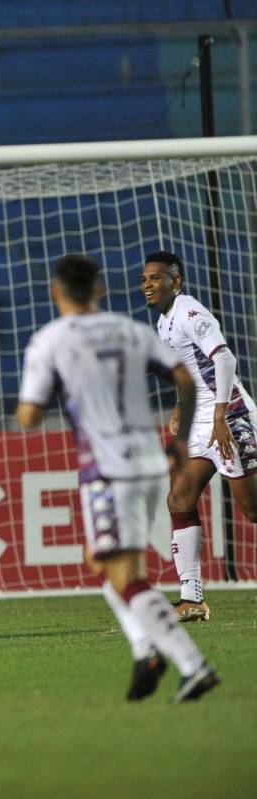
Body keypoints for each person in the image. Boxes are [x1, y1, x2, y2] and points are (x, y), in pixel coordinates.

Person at [17, 254, 218, 702]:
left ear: (56, 292)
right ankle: (146, 648)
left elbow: (29, 415)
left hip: (108, 470)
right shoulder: (133, 330)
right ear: (100, 290)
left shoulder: (50, 340)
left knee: (126, 576)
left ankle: (190, 664)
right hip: (149, 461)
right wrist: (180, 441)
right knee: (101, 560)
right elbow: (185, 378)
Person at [141, 251, 257, 622]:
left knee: (253, 510)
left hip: (230, 415)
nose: (148, 284)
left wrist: (221, 416)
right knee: (179, 498)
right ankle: (191, 598)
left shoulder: (191, 313)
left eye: (156, 277)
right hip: (204, 418)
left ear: (176, 282)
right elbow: (193, 369)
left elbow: (223, 359)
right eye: (145, 278)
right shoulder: (163, 323)